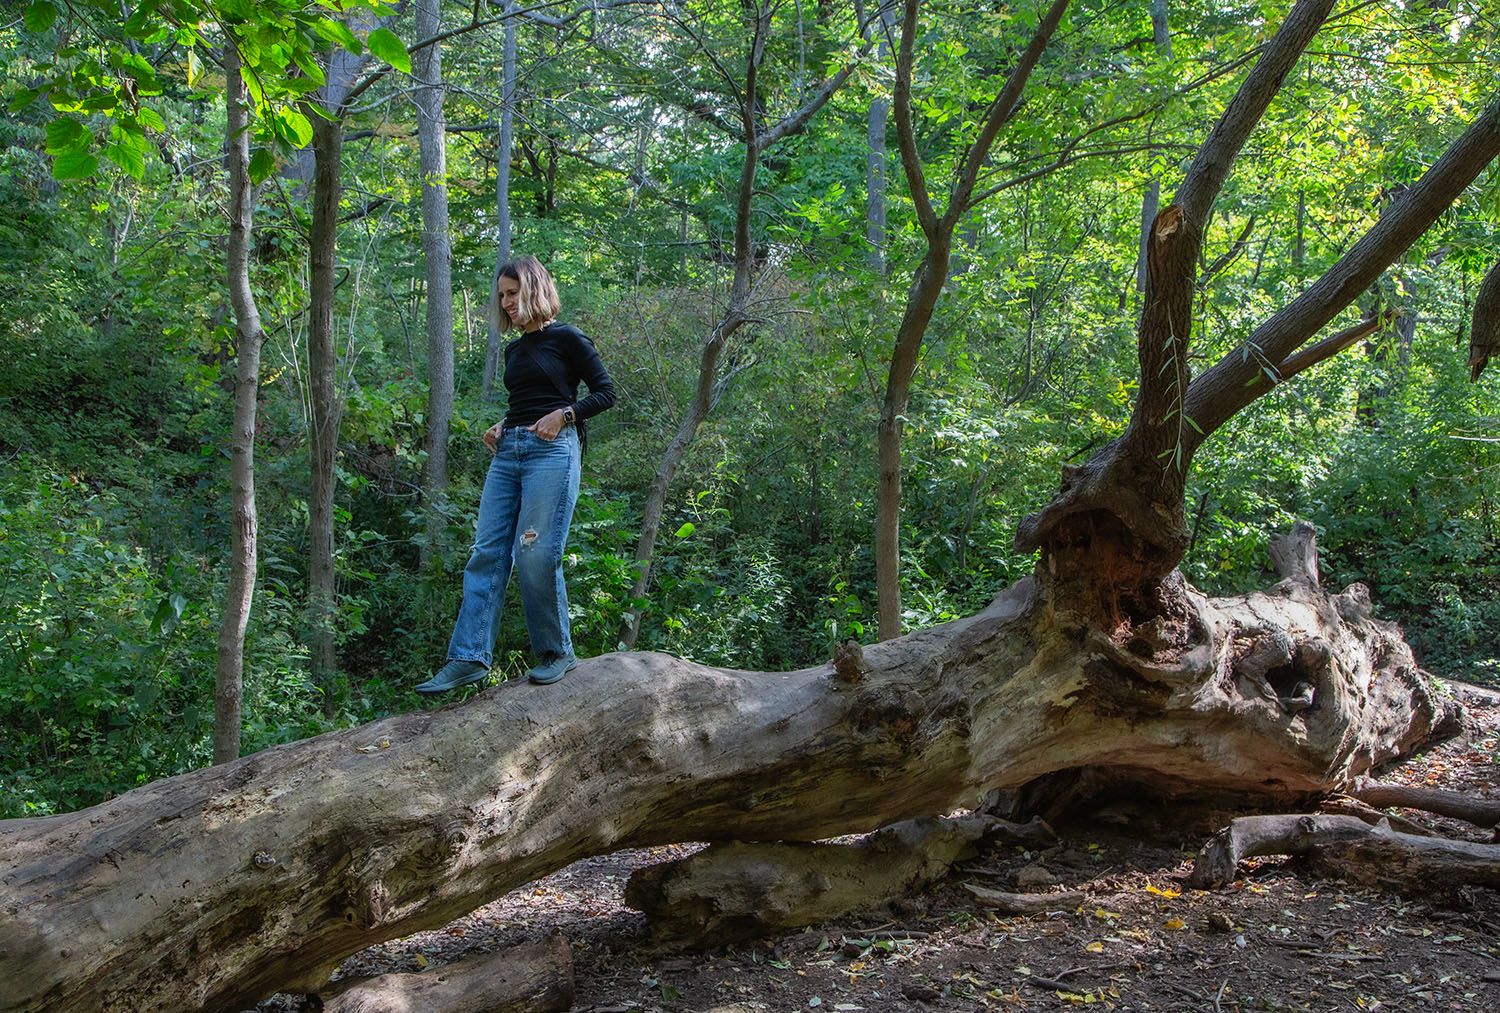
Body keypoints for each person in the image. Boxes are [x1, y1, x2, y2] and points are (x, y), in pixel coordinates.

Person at [416, 256, 616, 693]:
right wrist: (502, 425)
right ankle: (468, 657)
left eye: (512, 293)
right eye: (502, 295)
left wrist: (564, 415)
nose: (505, 302)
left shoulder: (568, 338)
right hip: (509, 453)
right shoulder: (514, 349)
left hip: (552, 454)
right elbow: (525, 401)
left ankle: (556, 652)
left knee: (535, 554)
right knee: (486, 552)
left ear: (534, 289)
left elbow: (606, 394)